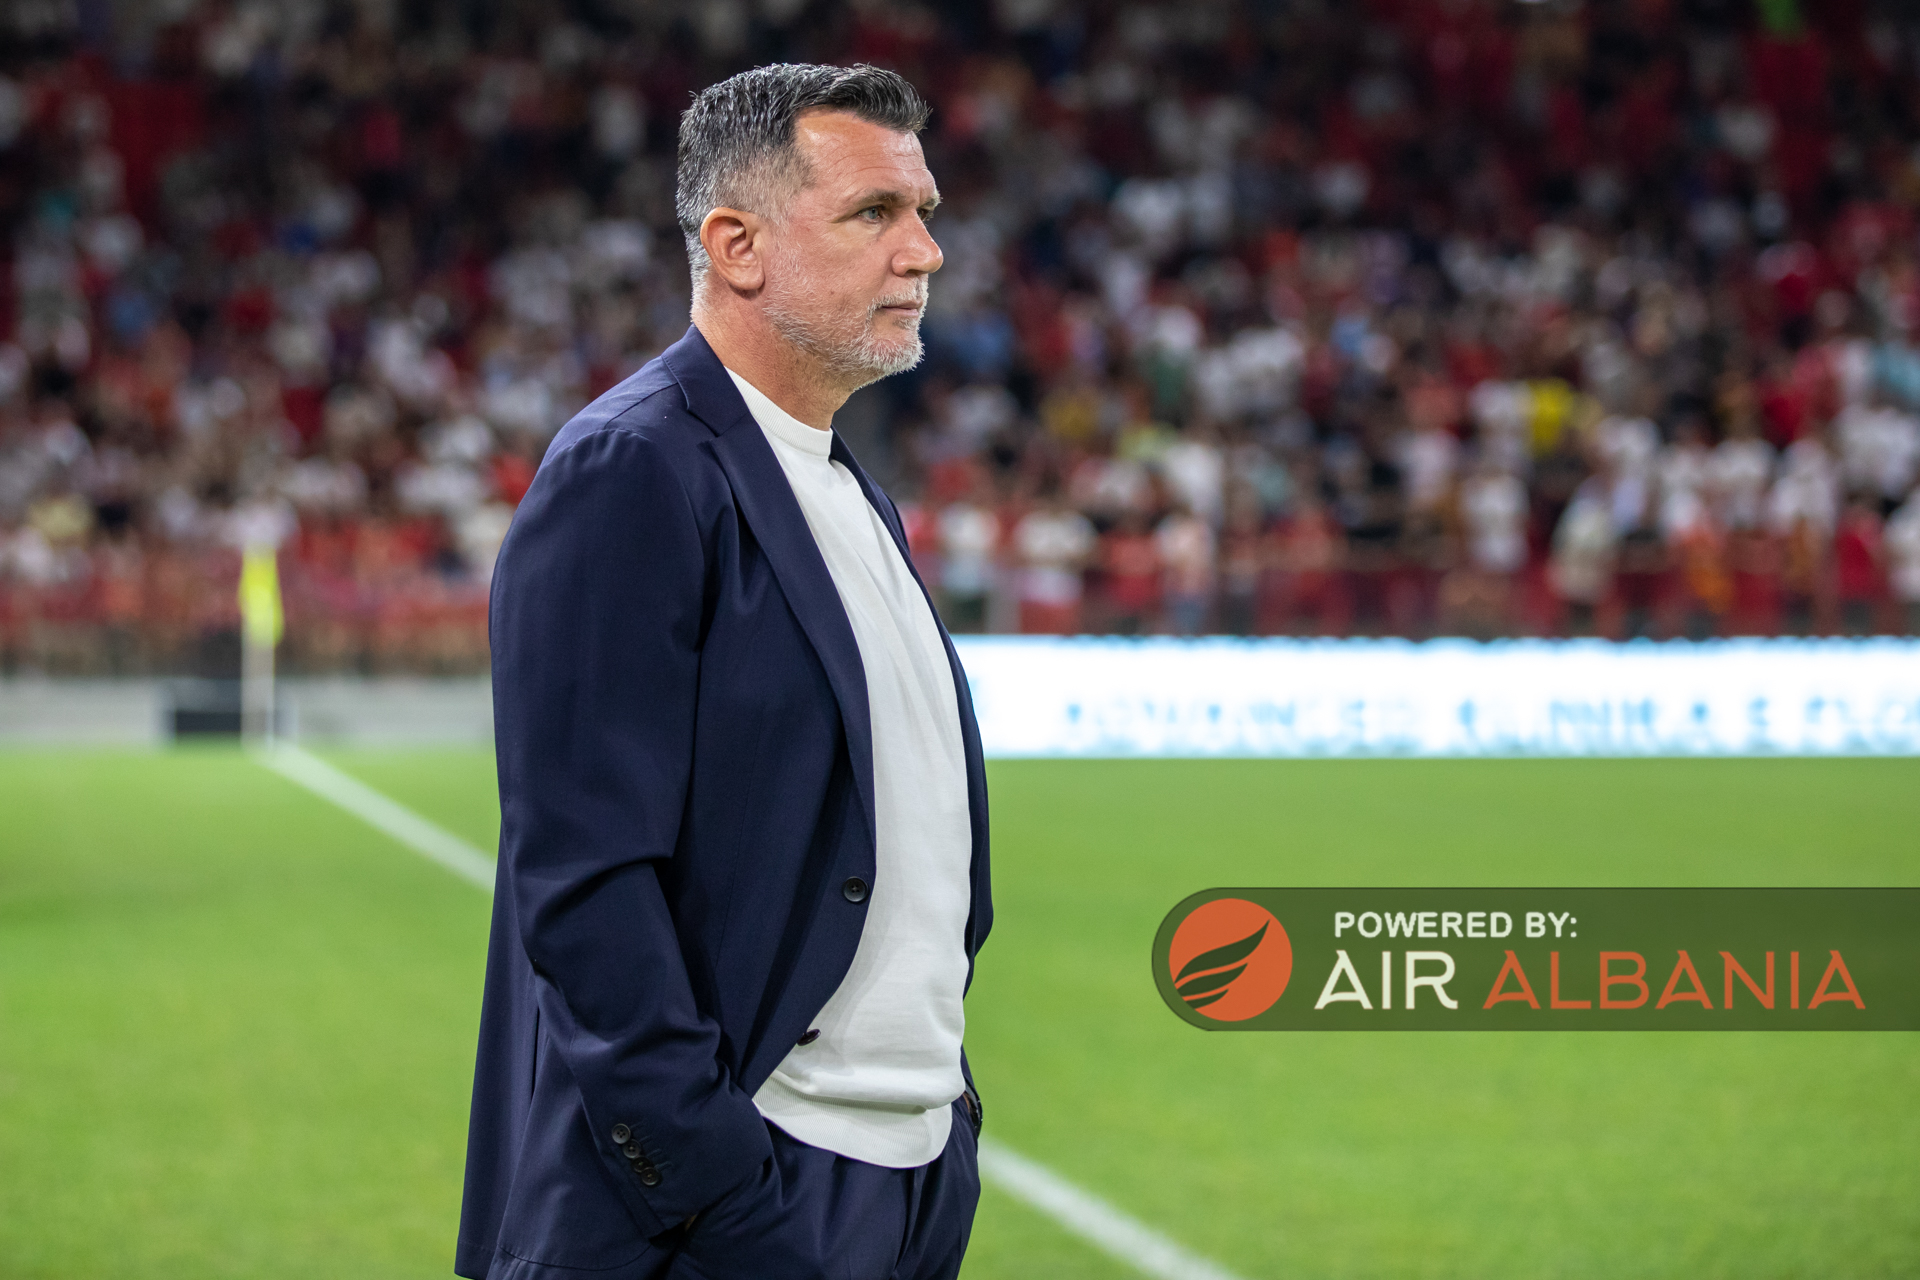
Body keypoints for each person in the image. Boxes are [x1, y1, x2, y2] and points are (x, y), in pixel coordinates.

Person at [456, 65, 989, 1280]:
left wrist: (943, 1125)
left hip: (904, 1173)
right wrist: (722, 1196)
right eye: (874, 212)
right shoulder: (631, 469)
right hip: (743, 1200)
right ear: (736, 246)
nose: (925, 251)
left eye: (924, 212)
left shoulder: (844, 484)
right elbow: (585, 881)